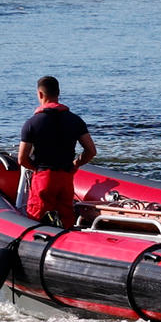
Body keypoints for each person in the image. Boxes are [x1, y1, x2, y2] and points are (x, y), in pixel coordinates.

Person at [16, 75, 97, 227]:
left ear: (40, 94)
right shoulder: (75, 120)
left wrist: (36, 169)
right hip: (66, 177)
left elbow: (22, 159)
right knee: (66, 219)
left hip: (43, 178)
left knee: (37, 219)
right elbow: (91, 151)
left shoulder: (32, 123)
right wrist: (76, 164)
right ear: (58, 93)